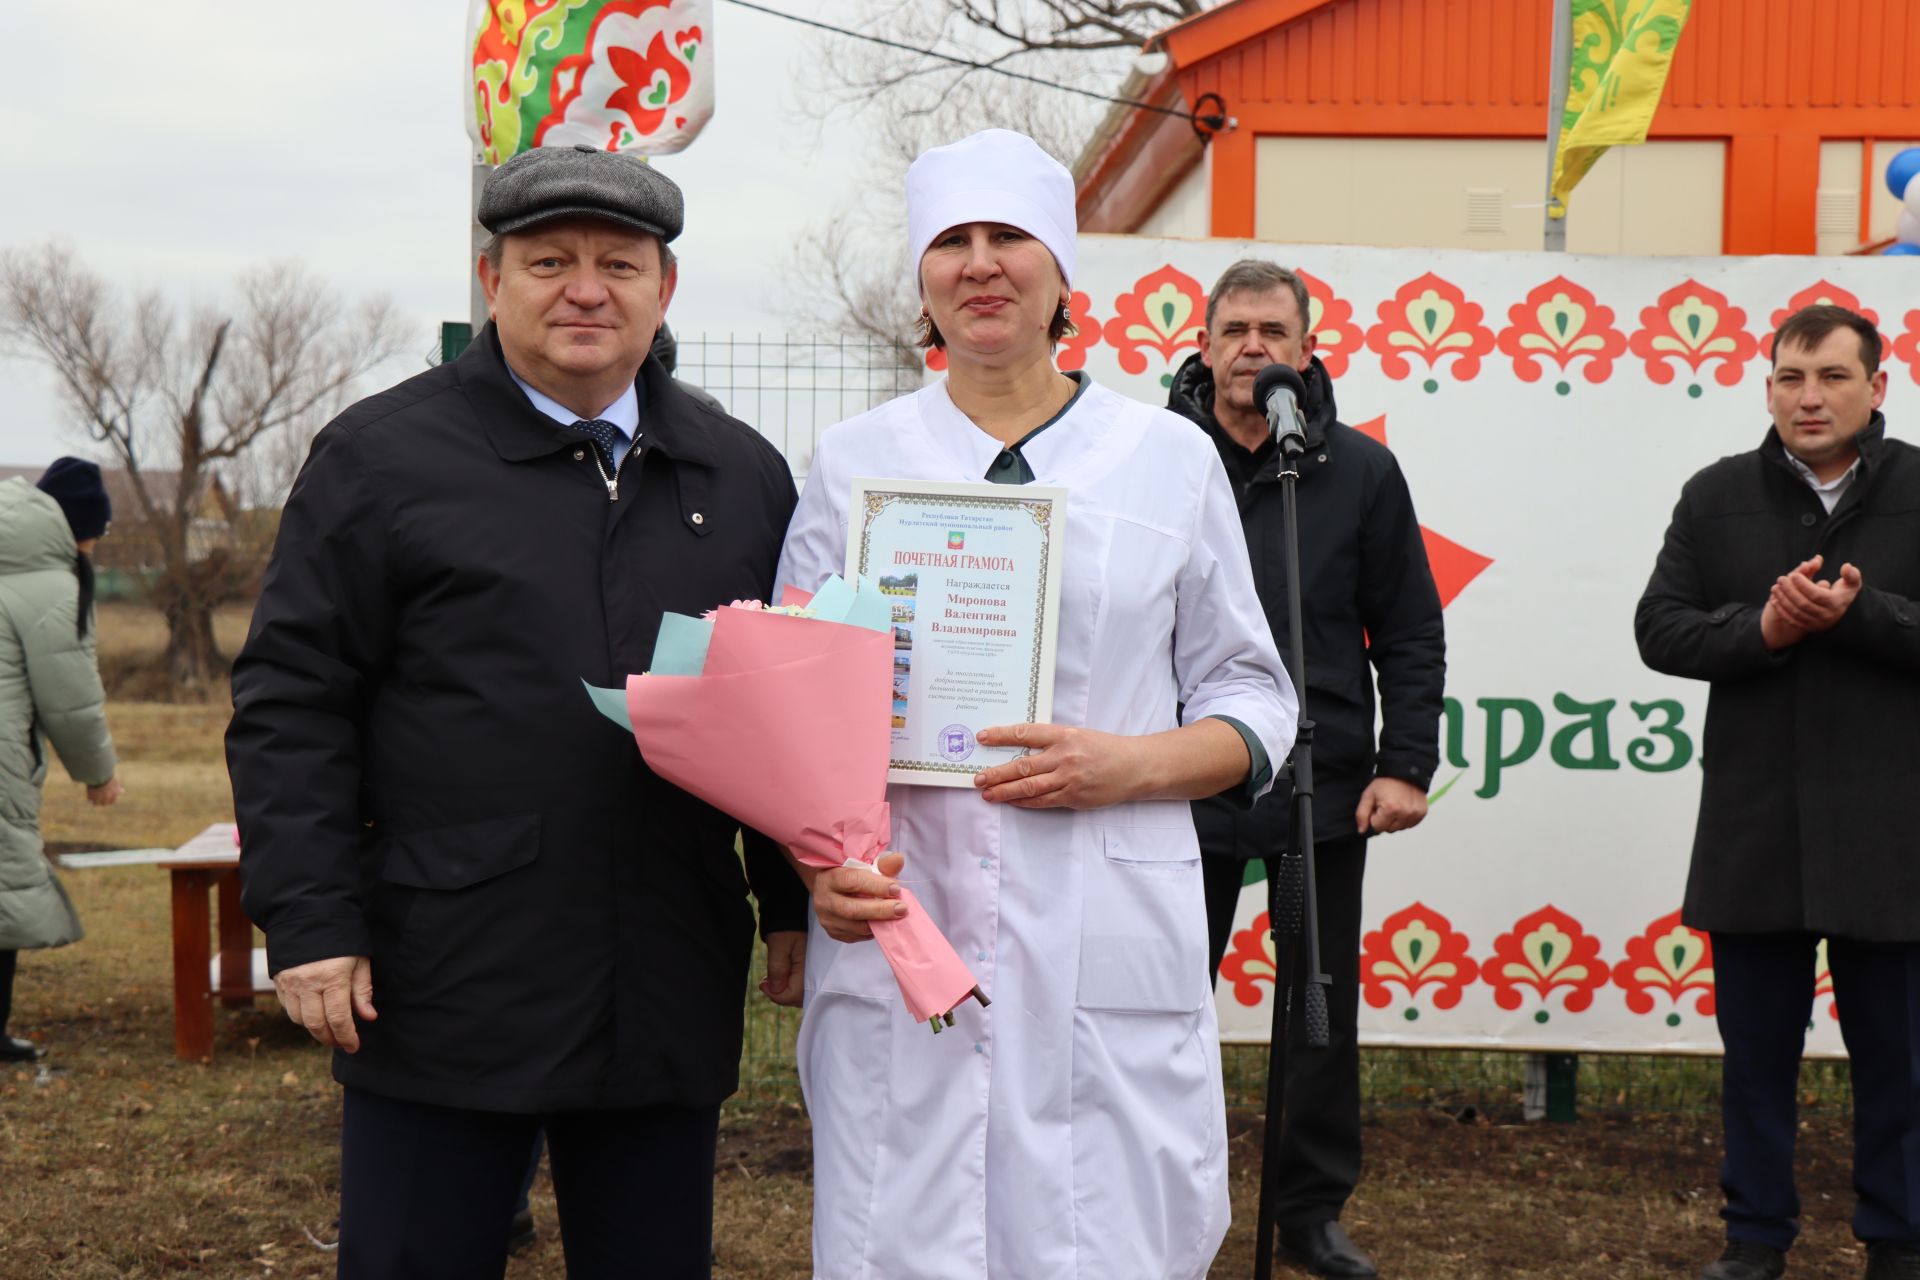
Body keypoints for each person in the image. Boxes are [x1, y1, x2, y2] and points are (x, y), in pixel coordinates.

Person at [226, 145, 808, 1280]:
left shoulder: (739, 475)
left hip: (665, 969)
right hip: (443, 972)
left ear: (665, 289)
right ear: (490, 281)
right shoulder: (384, 458)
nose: (584, 288)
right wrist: (309, 917)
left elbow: (790, 702)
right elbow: (294, 696)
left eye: (617, 263)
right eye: (548, 261)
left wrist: (788, 892)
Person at [777, 128, 1299, 1280]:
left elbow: (1256, 698)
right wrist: (820, 865)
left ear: (1063, 274)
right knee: (900, 1237)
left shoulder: (1166, 458)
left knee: (1101, 1238)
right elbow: (791, 712)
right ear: (921, 277)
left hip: (1103, 922)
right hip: (907, 920)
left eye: (1009, 237)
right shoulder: (856, 462)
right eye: (951, 242)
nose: (980, 264)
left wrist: (1129, 766)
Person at [1166, 261, 1445, 1279]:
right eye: (1234, 328)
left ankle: (1308, 1208)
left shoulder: (1359, 471)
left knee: (1316, 1003)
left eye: (1272, 329)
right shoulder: (1149, 458)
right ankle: (1151, 1193)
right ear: (1202, 346)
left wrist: (1406, 760)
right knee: (1157, 996)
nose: (1253, 346)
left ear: (1306, 348)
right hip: (1173, 774)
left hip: (1319, 777)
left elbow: (1409, 625)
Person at [1636, 304, 1920, 1280]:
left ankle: (1898, 1238)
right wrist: (1766, 627)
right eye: (1792, 377)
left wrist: (1858, 612)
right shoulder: (1716, 495)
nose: (1811, 396)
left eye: (1834, 377)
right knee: (1756, 1060)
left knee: (1902, 1063)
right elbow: (1661, 631)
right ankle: (1754, 1237)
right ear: (1768, 386)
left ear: (1876, 388)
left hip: (1894, 833)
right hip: (1756, 829)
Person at [0, 458, 123, 1062]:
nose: (98, 542)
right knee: (4, 890)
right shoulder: (52, 583)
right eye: (98, 528)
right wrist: (98, 774)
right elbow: (69, 700)